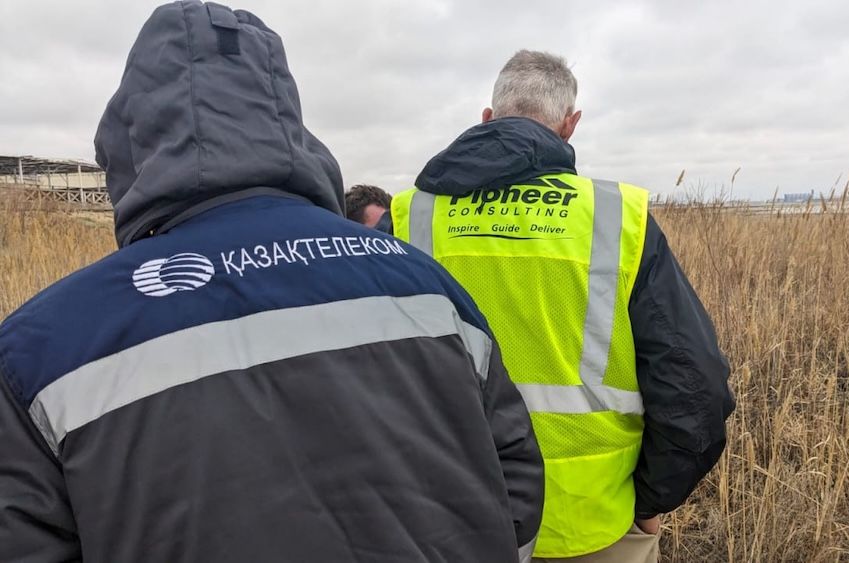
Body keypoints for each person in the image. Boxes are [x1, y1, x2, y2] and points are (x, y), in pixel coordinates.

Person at [0, 4, 543, 562]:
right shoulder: (428, 286)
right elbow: (516, 482)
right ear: (289, 123)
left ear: (127, 140)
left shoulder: (41, 349)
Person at [390, 50, 734, 562]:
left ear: (487, 118)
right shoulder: (619, 218)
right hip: (592, 524)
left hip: (448, 520)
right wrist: (650, 499)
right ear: (570, 125)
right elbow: (695, 386)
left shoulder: (408, 216)